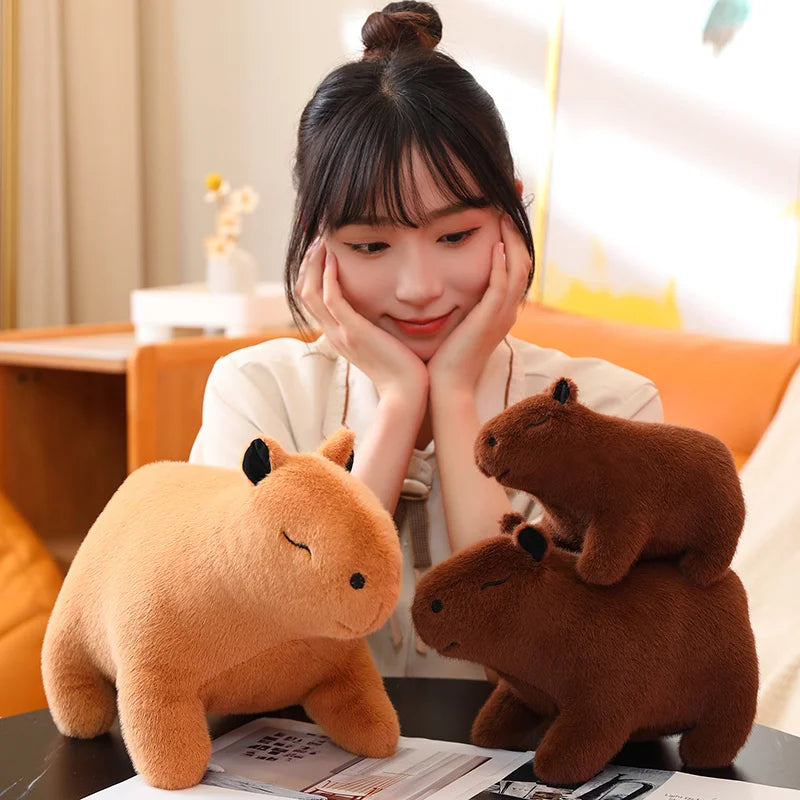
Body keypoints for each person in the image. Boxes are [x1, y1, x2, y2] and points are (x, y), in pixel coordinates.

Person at [190, 1, 662, 679]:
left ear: (509, 216)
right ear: (316, 236)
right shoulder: (257, 396)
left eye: (455, 236)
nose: (419, 286)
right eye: (372, 244)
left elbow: (570, 675)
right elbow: (241, 656)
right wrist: (397, 402)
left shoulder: (614, 411)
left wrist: (457, 395)